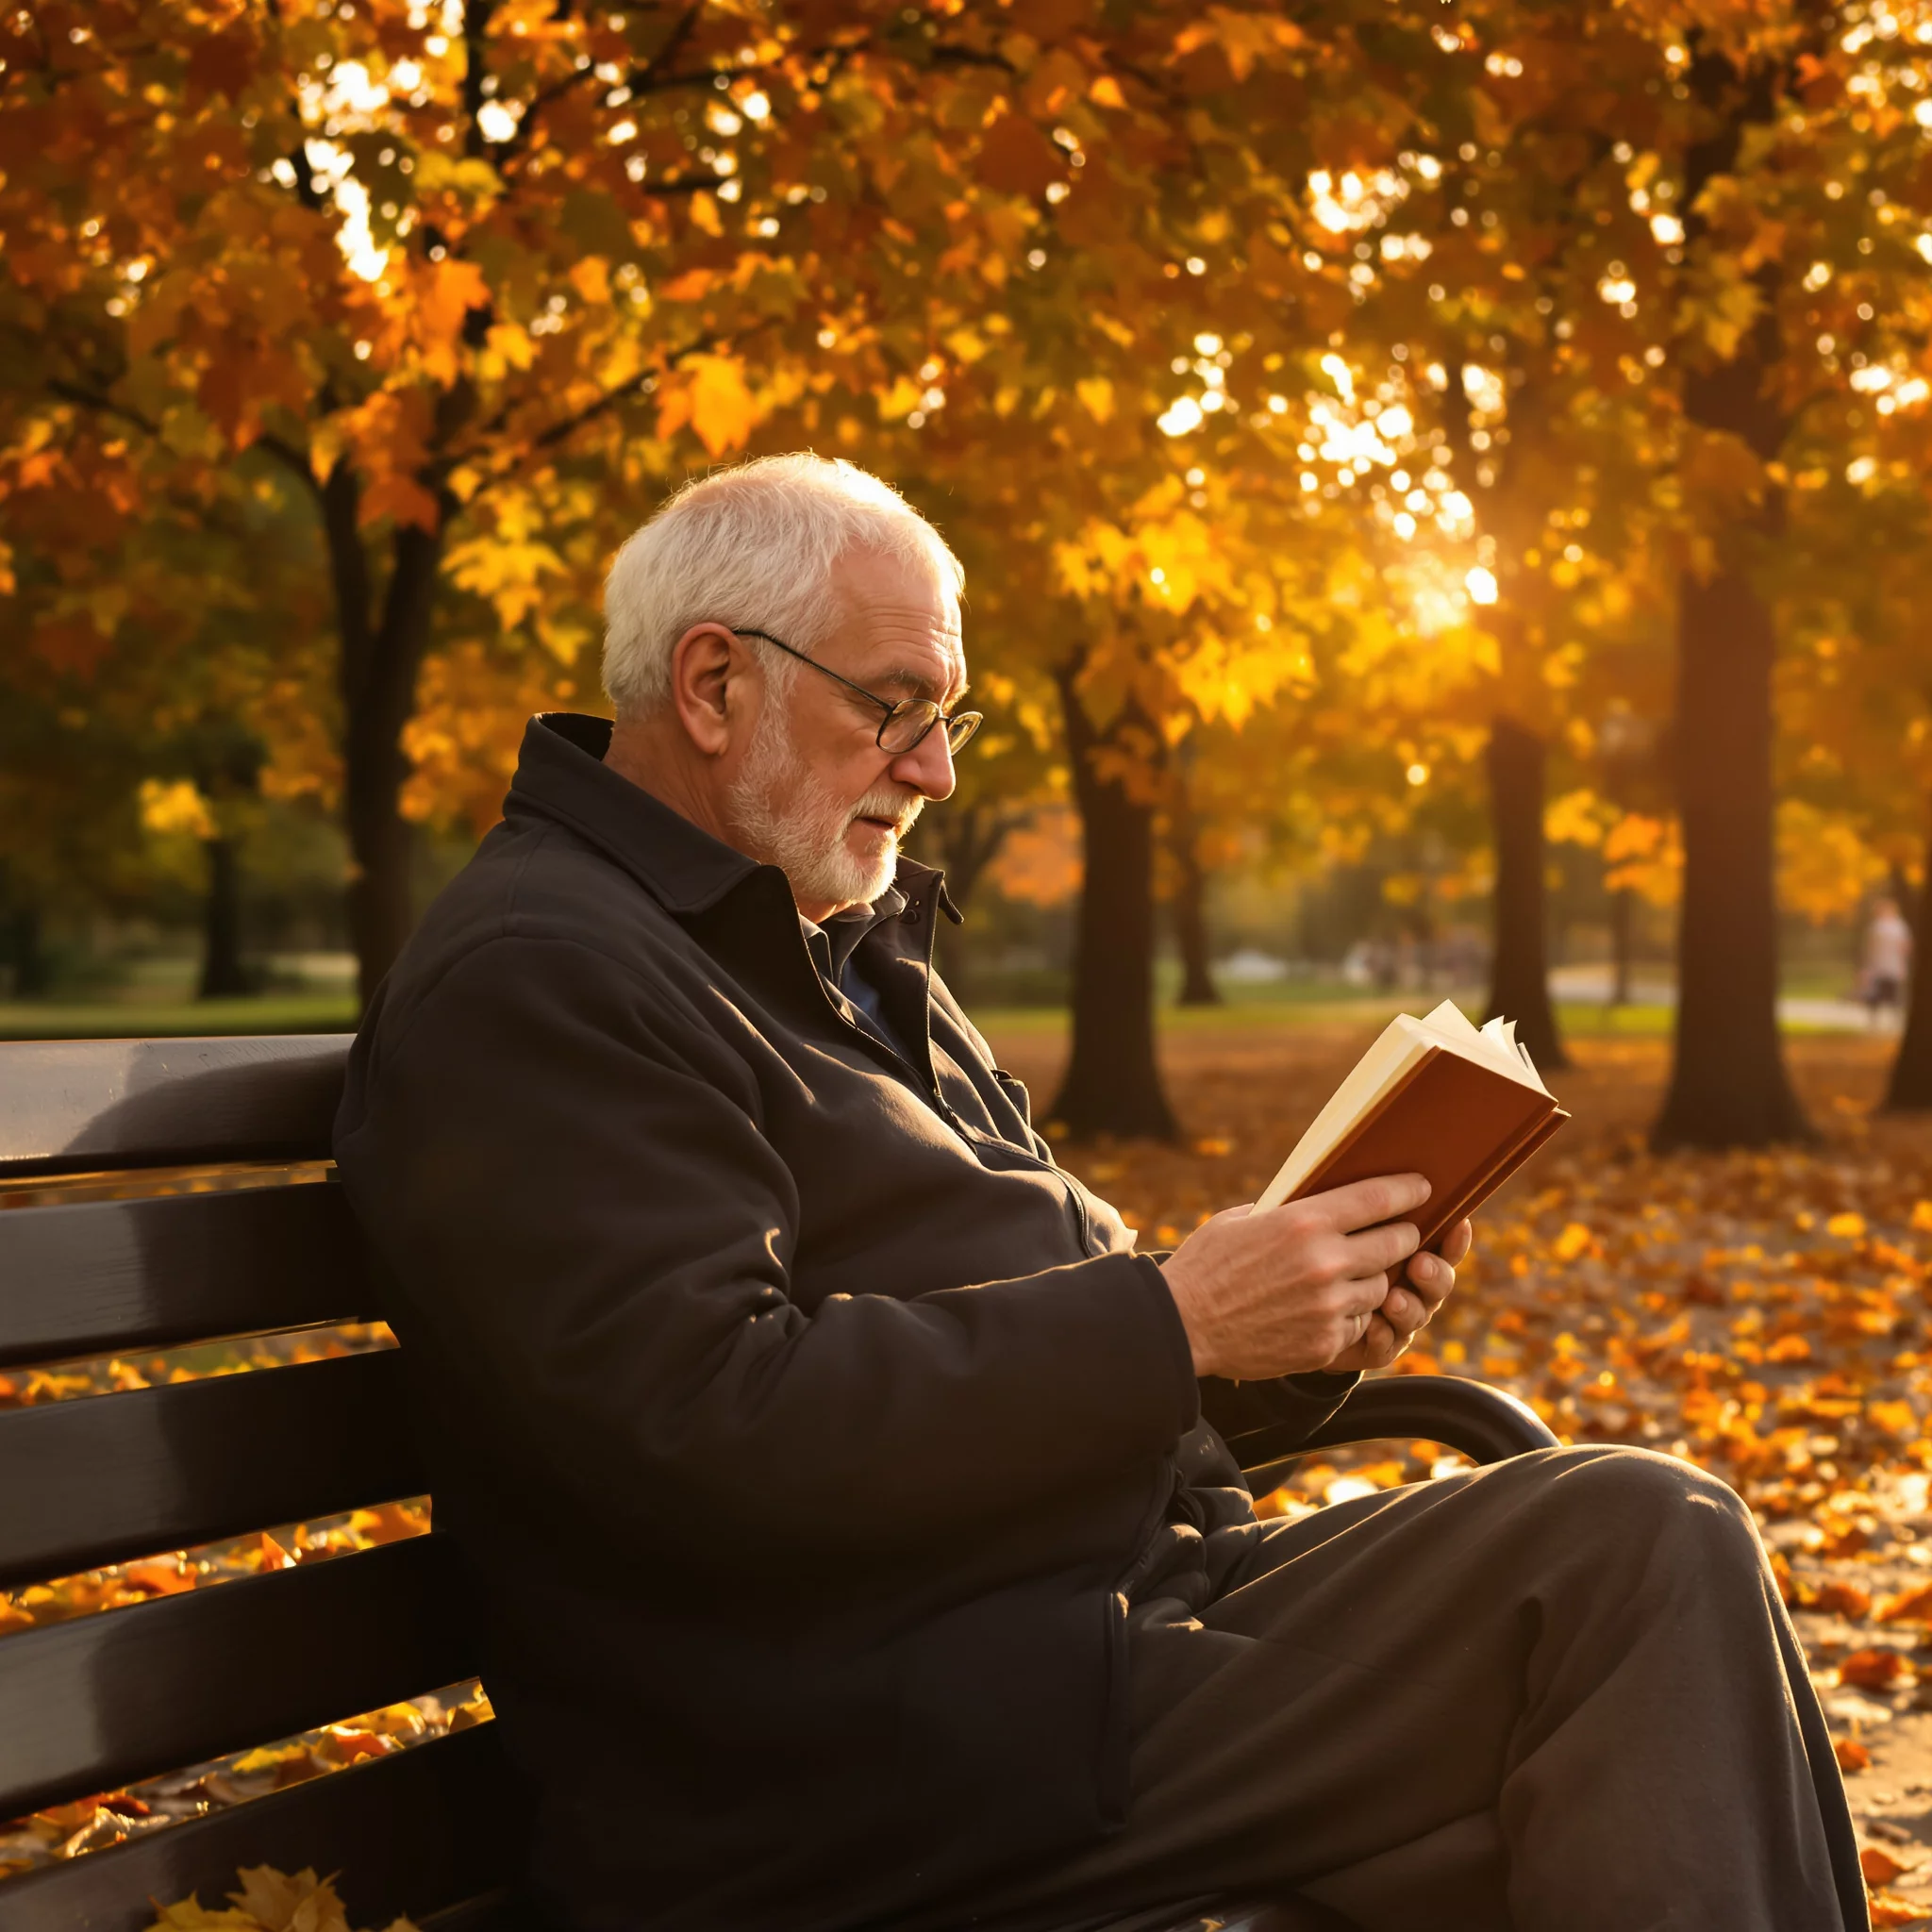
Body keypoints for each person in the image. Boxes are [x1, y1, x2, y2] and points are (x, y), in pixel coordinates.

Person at [333, 456, 1865, 1932]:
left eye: (947, 719)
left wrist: (1285, 1341)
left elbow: (1042, 1359)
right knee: (1619, 1660)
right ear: (714, 682)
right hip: (850, 1765)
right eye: (893, 710)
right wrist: (1176, 1317)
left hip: (1079, 1636)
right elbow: (699, 1422)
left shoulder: (820, 946)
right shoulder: (543, 979)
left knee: (1640, 1531)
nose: (930, 770)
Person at [1864, 897, 1913, 1028]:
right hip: (1880, 965)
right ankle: (1876, 1020)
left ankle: (1892, 1019)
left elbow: (1905, 947)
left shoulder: (1897, 926)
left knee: (1892, 993)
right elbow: (1871, 947)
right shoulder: (1880, 926)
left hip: (1892, 965)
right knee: (1877, 993)